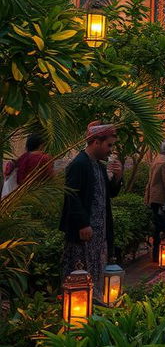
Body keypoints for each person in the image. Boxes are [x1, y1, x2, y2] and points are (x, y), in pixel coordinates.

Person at [60, 122, 123, 292]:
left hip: (98, 232)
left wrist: (117, 177)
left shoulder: (97, 165)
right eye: (108, 145)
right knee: (79, 271)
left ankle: (93, 303)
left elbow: (108, 193)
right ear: (96, 142)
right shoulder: (79, 164)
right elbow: (72, 196)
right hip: (85, 232)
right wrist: (83, 224)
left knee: (95, 268)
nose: (110, 150)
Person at [144, 139, 165, 262]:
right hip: (161, 198)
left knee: (157, 227)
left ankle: (156, 254)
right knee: (162, 227)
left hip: (153, 196)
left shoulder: (157, 159)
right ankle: (161, 255)